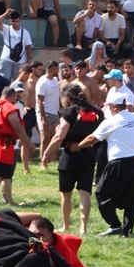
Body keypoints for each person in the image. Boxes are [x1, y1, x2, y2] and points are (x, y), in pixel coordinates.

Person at [76, 87, 134, 237]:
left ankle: (114, 225)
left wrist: (78, 146)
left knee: (102, 193)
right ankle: (127, 230)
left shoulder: (110, 121)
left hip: (119, 162)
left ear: (114, 107)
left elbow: (92, 139)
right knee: (133, 197)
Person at [42, 85, 102, 235]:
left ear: (68, 99)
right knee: (85, 193)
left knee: (66, 193)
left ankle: (66, 225)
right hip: (89, 155)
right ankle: (83, 228)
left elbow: (59, 135)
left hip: (70, 157)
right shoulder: (98, 112)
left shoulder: (69, 112)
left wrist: (47, 153)